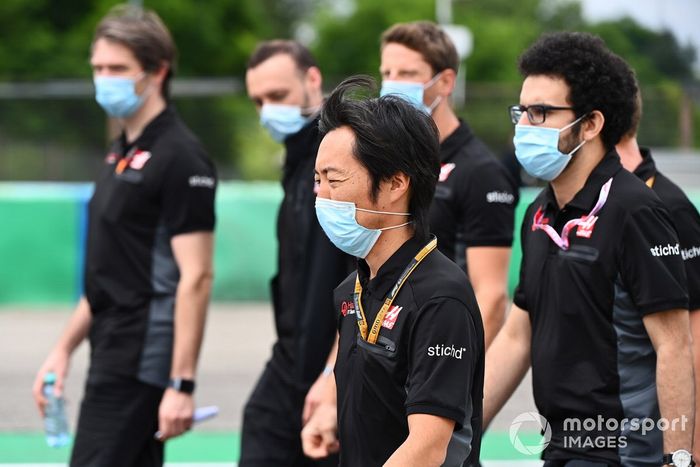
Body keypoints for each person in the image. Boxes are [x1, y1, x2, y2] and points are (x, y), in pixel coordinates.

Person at [484, 32, 694, 467]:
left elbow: (675, 344)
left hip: (623, 452)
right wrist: (459, 428)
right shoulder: (538, 214)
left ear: (592, 123)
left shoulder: (636, 211)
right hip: (559, 445)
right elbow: (517, 335)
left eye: (541, 112)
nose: (524, 126)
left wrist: (678, 457)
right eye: (521, 111)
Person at [32, 5, 217, 466]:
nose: (104, 78)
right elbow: (107, 277)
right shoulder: (121, 150)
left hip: (141, 361)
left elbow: (196, 277)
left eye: (117, 69)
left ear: (156, 72)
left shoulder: (181, 157)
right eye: (98, 68)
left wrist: (181, 383)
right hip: (109, 349)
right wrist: (62, 350)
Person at [301, 75, 484, 466]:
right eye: (317, 180)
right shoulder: (352, 290)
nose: (320, 195)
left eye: (333, 180)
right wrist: (328, 412)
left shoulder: (441, 298)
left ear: (396, 183)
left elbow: (428, 449)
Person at [241, 40, 351, 467]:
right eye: (258, 100)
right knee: (260, 428)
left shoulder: (345, 153)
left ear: (312, 79)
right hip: (290, 361)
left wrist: (333, 376)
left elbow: (364, 282)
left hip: (340, 368)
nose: (268, 109)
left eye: (278, 96)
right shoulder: (294, 161)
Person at [379, 21, 517, 348]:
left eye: (408, 74)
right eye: (386, 73)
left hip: (439, 352)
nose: (392, 84)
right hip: (388, 348)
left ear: (445, 83)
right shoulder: (389, 160)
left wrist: (448, 369)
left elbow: (492, 298)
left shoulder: (481, 172)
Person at [616, 92, 700, 459]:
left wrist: (689, 454)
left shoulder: (669, 206)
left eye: (544, 112)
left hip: (646, 440)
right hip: (585, 435)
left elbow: (694, 343)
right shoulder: (573, 210)